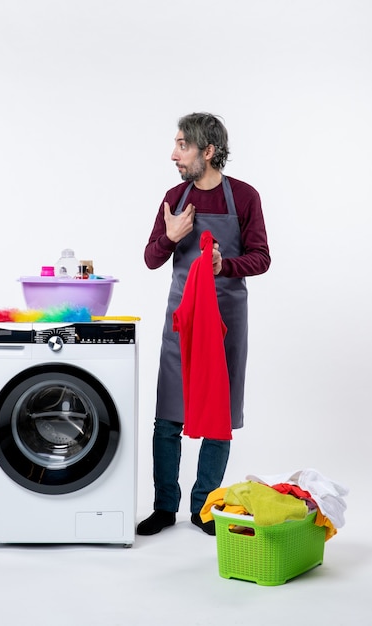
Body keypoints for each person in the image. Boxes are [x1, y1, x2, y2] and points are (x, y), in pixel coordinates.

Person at [137, 113, 271, 536]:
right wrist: (172, 235)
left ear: (208, 151)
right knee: (167, 417)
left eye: (183, 145)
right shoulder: (174, 198)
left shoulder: (245, 197)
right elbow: (151, 259)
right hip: (182, 319)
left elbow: (261, 257)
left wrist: (223, 265)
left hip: (227, 318)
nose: (174, 154)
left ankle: (204, 508)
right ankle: (164, 506)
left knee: (219, 413)